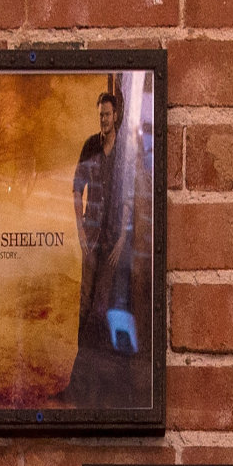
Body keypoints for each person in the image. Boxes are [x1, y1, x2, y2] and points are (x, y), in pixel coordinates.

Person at [67, 86, 147, 410]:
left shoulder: (126, 151)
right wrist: (81, 236)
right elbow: (76, 191)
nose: (103, 119)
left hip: (115, 243)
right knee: (86, 303)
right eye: (100, 114)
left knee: (107, 306)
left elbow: (128, 200)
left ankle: (100, 384)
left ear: (116, 116)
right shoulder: (90, 146)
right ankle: (79, 380)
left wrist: (122, 241)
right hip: (92, 239)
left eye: (107, 114)